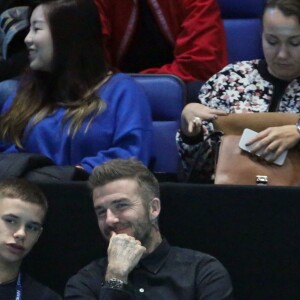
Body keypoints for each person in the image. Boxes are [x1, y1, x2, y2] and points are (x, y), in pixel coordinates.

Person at [0, 0, 152, 178]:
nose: (27, 39)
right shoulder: (24, 92)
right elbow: (6, 154)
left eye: (37, 29)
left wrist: (70, 175)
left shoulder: (123, 92)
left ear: (67, 36)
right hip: (29, 197)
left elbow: (131, 156)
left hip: (95, 197)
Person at [64, 158, 233, 299]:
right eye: (101, 212)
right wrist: (115, 278)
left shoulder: (203, 272)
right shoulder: (84, 282)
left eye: (121, 205)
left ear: (153, 208)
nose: (110, 220)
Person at [177, 0, 300, 182]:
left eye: (295, 43)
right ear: (261, 35)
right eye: (272, 41)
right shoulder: (230, 79)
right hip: (233, 199)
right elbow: (196, 174)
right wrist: (191, 135)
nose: (282, 54)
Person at [94, 0, 228, 101]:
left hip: (183, 91)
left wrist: (131, 84)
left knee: (203, 93)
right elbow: (90, 66)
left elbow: (202, 65)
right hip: (111, 94)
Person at [0, 178, 62, 299]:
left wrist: (111, 280)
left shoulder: (45, 297)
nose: (21, 233)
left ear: (38, 235)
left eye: (32, 227)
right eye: (11, 221)